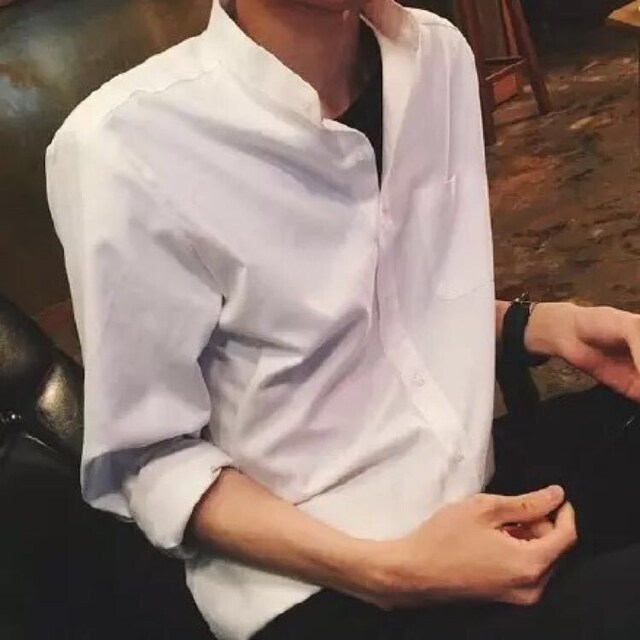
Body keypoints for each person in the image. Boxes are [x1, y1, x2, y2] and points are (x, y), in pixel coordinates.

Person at [45, 0, 640, 639]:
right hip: (320, 579)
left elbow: (391, 313)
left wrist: (548, 325)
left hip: (478, 486)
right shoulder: (125, 146)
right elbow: (151, 458)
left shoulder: (435, 56)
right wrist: (388, 574)